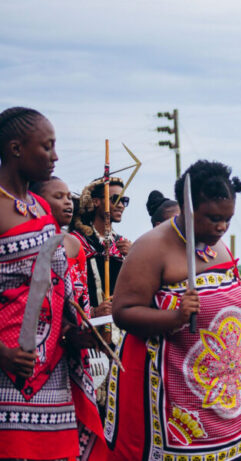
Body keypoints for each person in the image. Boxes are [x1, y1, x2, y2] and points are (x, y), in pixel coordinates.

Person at [105, 160, 241, 460]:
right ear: (186, 207)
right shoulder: (151, 248)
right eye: (213, 218)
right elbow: (123, 312)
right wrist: (176, 316)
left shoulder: (218, 246)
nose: (222, 227)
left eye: (228, 219)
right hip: (174, 403)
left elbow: (234, 314)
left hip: (229, 404)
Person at [0, 107, 106, 460]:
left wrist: (74, 333)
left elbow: (57, 290)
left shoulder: (41, 210)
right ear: (16, 149)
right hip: (9, 367)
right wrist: (4, 354)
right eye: (47, 146)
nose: (55, 156)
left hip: (51, 372)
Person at [30, 176, 91, 316]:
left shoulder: (74, 244)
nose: (68, 202)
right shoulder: (25, 242)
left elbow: (83, 297)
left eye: (69, 197)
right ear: (37, 201)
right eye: (59, 197)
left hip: (71, 324)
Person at [71, 176, 132, 315]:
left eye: (124, 200)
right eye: (115, 199)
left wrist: (133, 257)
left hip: (119, 322)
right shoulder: (77, 242)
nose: (121, 205)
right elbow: (66, 289)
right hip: (87, 324)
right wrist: (93, 312)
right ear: (96, 201)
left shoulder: (123, 244)